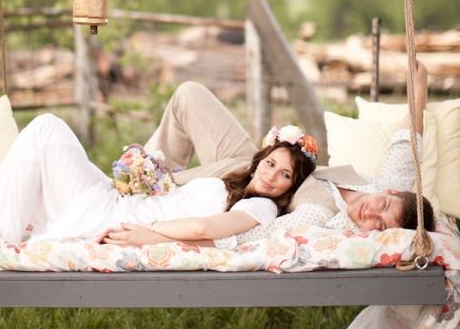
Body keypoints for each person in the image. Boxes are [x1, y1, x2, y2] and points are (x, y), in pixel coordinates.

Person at [102, 62, 435, 249]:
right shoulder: (387, 185)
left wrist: (153, 237)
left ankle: (139, 191)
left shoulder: (323, 218)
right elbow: (406, 144)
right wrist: (420, 84)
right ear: (390, 192)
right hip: (260, 162)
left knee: (154, 184)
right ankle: (147, 180)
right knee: (190, 95)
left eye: (380, 226)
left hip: (257, 186)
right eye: (383, 206)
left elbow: (246, 238)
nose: (371, 213)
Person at [0, 110, 318, 245]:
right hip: (116, 201)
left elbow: (203, 230)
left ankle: (5, 235)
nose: (272, 176)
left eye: (285, 174)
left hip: (113, 215)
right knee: (46, 135)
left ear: (291, 186)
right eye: (270, 164)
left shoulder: (261, 207)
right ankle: (0, 221)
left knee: (47, 127)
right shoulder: (233, 186)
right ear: (259, 161)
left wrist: (149, 234)